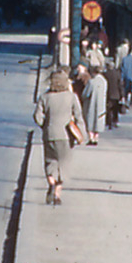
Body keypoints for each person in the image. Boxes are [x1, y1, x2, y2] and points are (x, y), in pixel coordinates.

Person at [37, 71, 84, 205]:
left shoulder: (44, 97)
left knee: (50, 162)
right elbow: (79, 116)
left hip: (49, 134)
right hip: (66, 136)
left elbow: (38, 117)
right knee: (64, 165)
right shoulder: (72, 97)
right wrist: (82, 136)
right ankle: (57, 194)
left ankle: (51, 183)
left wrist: (45, 126)